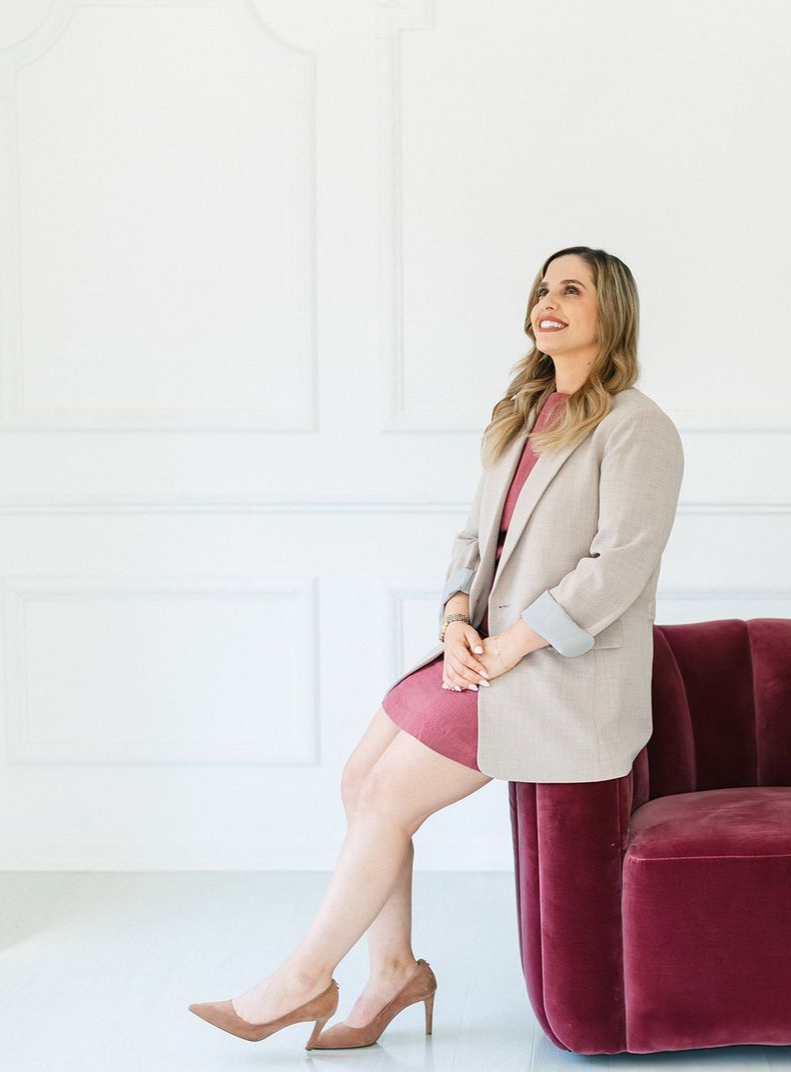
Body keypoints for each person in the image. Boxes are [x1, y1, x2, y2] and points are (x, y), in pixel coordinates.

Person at [187, 246, 685, 1050]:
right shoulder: (524, 413)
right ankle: (393, 974)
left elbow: (618, 567)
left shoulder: (638, 428)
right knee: (361, 782)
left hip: (559, 673)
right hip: (487, 654)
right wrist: (456, 618)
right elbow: (472, 538)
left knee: (387, 797)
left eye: (571, 289)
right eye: (541, 288)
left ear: (611, 312)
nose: (547, 301)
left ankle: (302, 982)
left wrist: (514, 644)